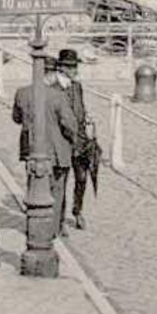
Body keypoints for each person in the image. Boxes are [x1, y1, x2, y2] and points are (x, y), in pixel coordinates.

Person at [11, 55, 80, 233]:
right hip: (57, 151)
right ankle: (52, 229)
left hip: (32, 150)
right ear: (52, 73)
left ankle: (34, 225)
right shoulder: (58, 96)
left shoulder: (22, 92)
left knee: (34, 187)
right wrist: (71, 139)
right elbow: (70, 124)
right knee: (57, 191)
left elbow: (16, 119)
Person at [58, 50, 98, 230]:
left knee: (82, 178)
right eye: (72, 67)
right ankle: (59, 219)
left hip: (81, 140)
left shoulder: (77, 86)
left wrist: (87, 118)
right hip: (63, 140)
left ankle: (77, 210)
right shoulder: (55, 89)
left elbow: (80, 108)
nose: (75, 70)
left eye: (76, 66)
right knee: (62, 181)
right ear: (62, 68)